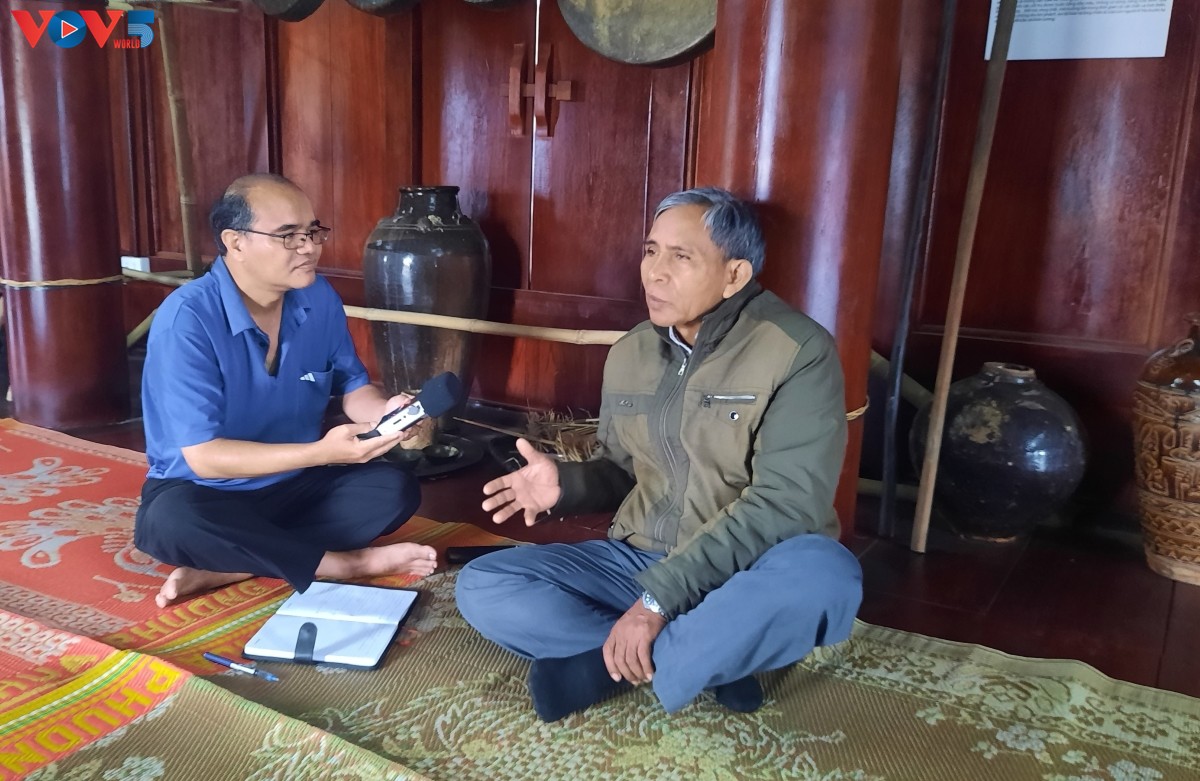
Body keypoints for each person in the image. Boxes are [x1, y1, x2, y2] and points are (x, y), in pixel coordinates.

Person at [455, 187, 863, 721]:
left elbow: (786, 505)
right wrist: (568, 485)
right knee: (484, 583)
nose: (654, 273)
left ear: (735, 275)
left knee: (827, 576)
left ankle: (607, 665)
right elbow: (626, 470)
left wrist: (657, 601)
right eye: (651, 251)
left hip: (744, 570)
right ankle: (704, 657)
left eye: (681, 257)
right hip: (638, 559)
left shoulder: (796, 351)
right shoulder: (632, 351)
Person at [135, 173, 436, 610]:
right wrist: (321, 452)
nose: (309, 247)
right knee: (169, 522)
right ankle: (343, 564)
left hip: (293, 484)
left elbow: (353, 387)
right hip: (206, 490)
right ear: (235, 242)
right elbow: (205, 457)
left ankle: (234, 564)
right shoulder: (187, 318)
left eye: (313, 232)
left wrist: (384, 413)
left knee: (394, 490)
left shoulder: (319, 298)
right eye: (288, 236)